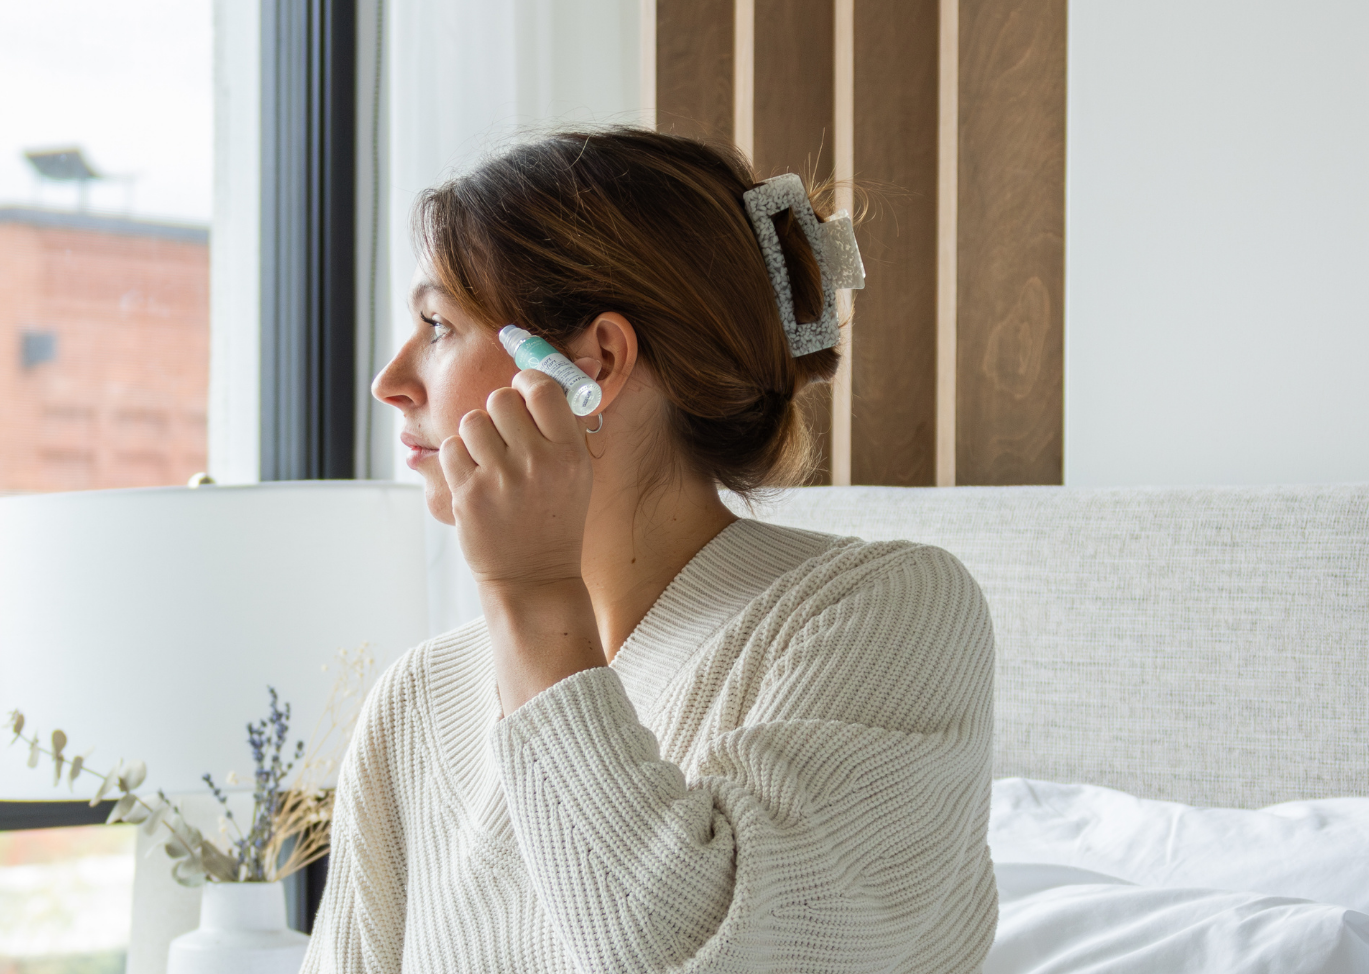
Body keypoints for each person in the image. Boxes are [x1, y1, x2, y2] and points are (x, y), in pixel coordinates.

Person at [301, 127, 997, 973]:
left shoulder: (888, 614)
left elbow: (712, 952)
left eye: (437, 325)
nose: (390, 381)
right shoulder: (415, 704)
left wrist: (533, 594)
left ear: (592, 363)